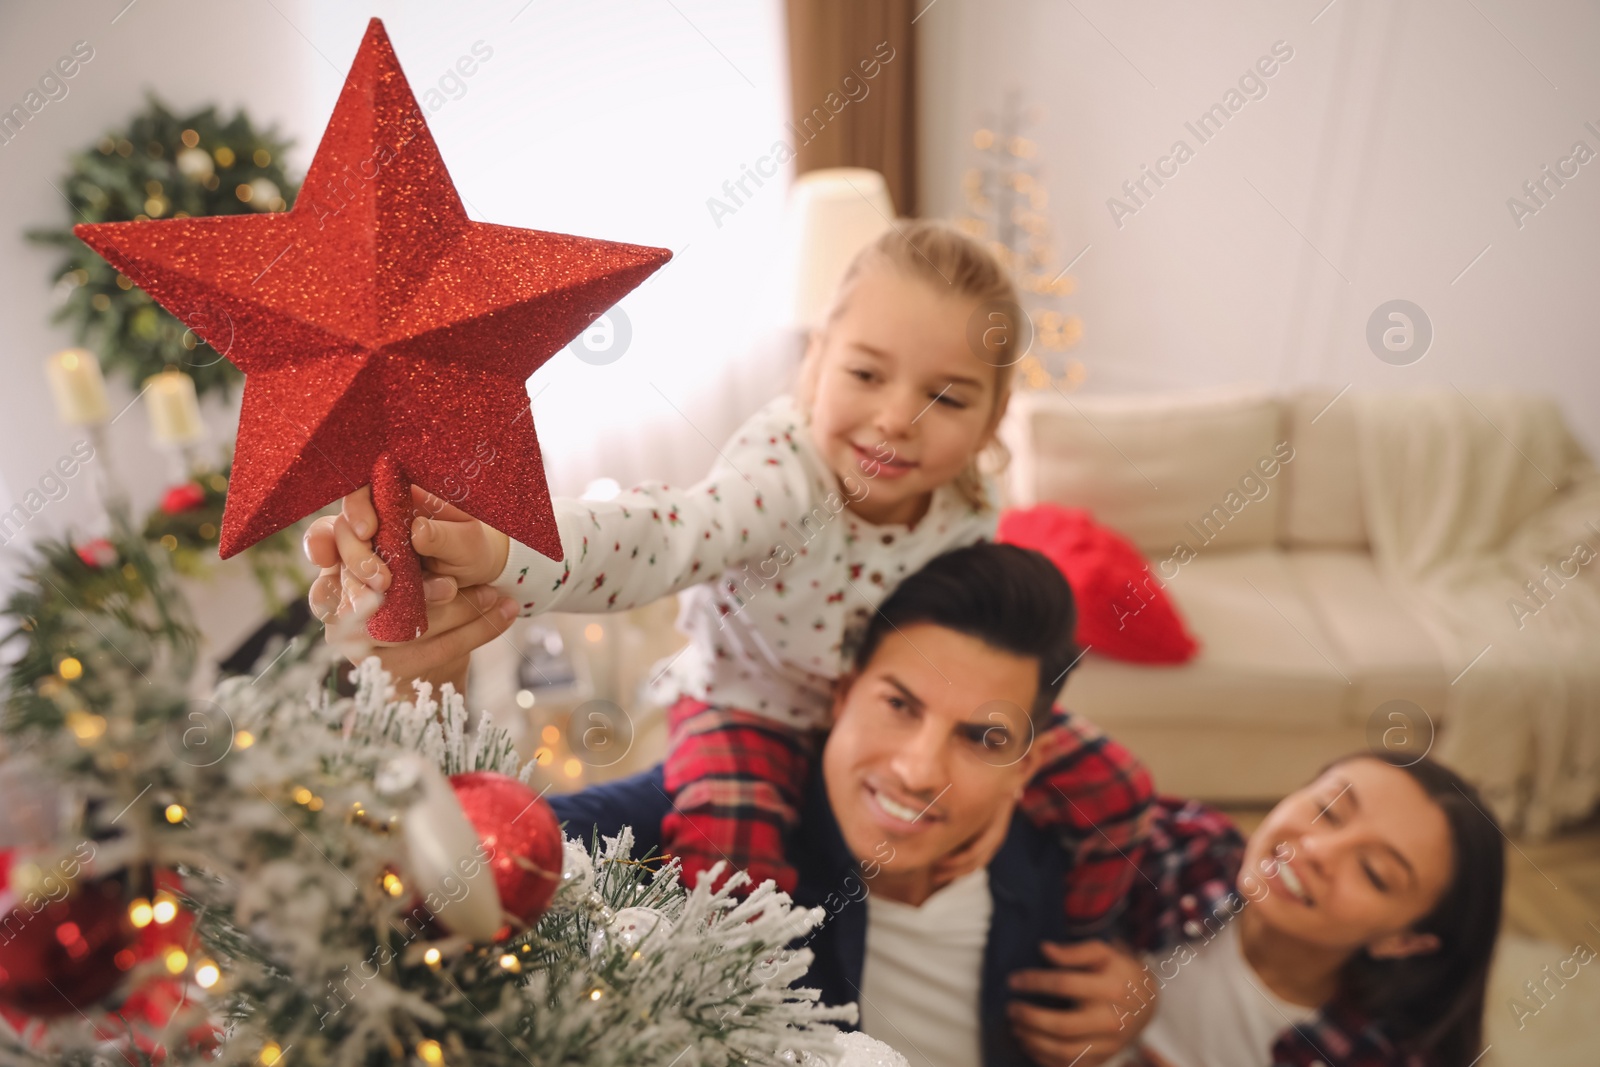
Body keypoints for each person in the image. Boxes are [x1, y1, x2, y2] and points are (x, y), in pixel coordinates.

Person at [305, 219, 1152, 933]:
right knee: (738, 881)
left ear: (994, 422)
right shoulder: (784, 479)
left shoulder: (971, 503)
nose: (899, 417)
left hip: (881, 715)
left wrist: (1003, 790)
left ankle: (1075, 942)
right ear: (815, 366)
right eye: (866, 374)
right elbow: (660, 535)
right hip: (748, 704)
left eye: (950, 397)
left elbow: (989, 653)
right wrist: (504, 550)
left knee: (1114, 785)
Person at [548, 542, 1155, 1067]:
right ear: (841, 696)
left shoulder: (1064, 856)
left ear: (1025, 765)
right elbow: (514, 840)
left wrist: (1143, 996)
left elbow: (1193, 863)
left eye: (982, 739)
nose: (919, 772)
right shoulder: (718, 822)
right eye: (899, 705)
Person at [1086, 752, 1505, 1067]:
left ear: (1404, 942)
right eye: (1327, 810)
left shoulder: (1374, 1055)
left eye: (1373, 872)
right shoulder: (1188, 847)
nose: (1318, 850)